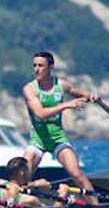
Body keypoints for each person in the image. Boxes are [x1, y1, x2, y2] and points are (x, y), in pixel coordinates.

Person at [22, 51, 98, 197]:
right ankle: (19, 204)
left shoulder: (61, 85)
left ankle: (96, 205)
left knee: (76, 174)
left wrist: (92, 97)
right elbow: (40, 114)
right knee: (21, 176)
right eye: (34, 65)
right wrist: (67, 105)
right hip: (38, 139)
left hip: (58, 138)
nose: (36, 69)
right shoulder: (29, 90)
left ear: (50, 68)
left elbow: (79, 94)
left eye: (41, 66)